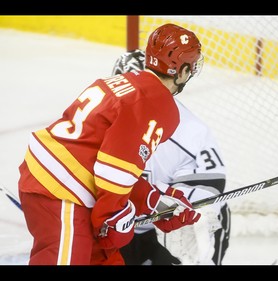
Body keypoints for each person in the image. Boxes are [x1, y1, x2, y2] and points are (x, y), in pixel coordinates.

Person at [17, 23, 204, 265]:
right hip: (61, 191)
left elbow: (111, 158)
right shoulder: (158, 103)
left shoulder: (123, 82)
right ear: (182, 70)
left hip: (59, 179)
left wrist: (153, 199)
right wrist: (111, 216)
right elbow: (115, 169)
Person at [112, 50, 231, 265]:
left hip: (160, 231)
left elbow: (208, 192)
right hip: (117, 229)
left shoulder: (189, 132)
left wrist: (185, 213)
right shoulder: (103, 119)